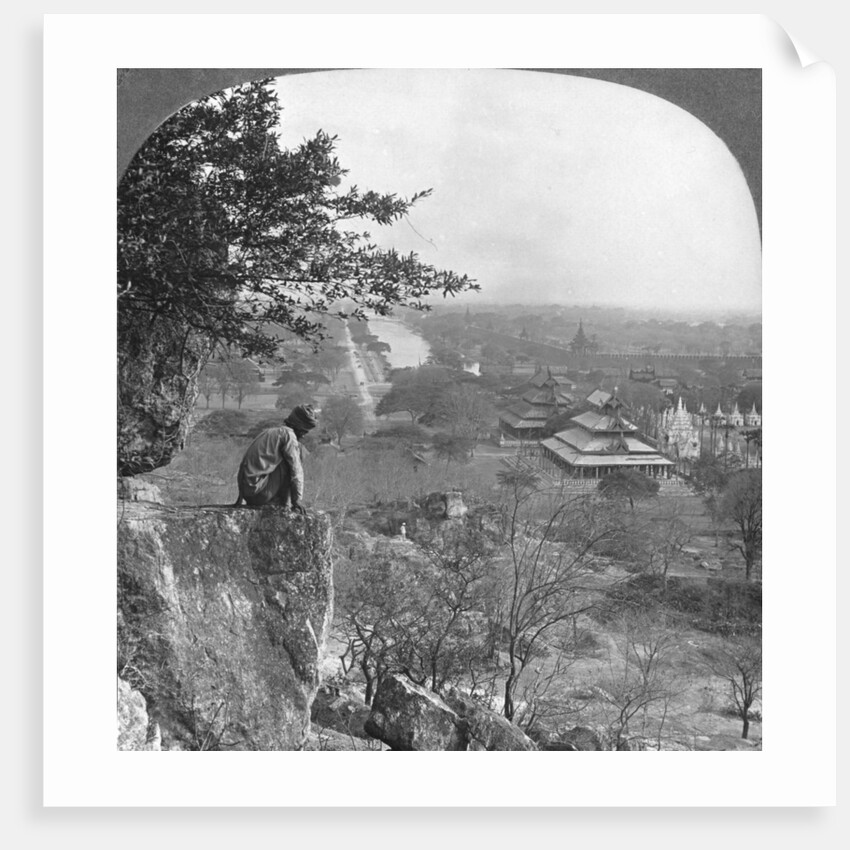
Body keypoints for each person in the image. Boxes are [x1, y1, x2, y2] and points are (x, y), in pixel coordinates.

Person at [233, 404, 318, 511]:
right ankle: (285, 504)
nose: (304, 435)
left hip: (249, 492)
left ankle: (280, 501)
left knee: (296, 450)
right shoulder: (289, 435)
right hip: (258, 493)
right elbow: (296, 470)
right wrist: (297, 499)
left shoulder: (272, 432)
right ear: (298, 426)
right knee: (299, 450)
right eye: (304, 431)